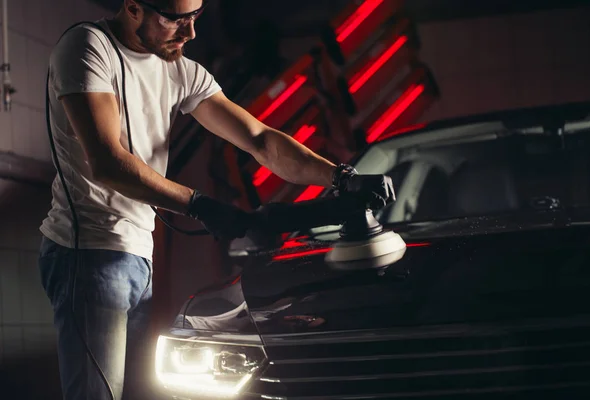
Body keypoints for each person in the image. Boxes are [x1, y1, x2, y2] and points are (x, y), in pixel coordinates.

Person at [37, 1, 395, 399]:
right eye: (174, 19)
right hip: (88, 251)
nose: (189, 33)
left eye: (195, 18)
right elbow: (108, 161)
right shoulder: (89, 47)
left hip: (135, 251)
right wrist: (198, 204)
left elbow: (259, 140)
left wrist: (340, 176)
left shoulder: (179, 69)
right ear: (133, 7)